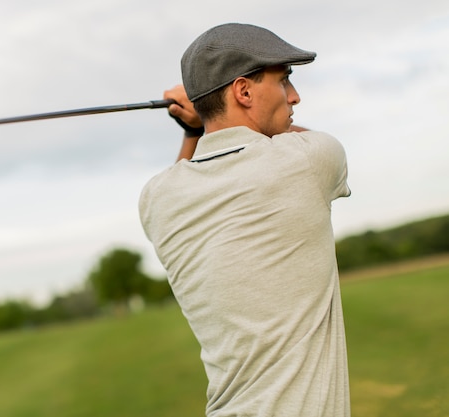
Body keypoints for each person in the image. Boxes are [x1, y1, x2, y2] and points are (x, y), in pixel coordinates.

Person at [139, 23, 351, 417]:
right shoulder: (310, 159)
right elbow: (293, 137)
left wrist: (197, 124)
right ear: (243, 91)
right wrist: (202, 119)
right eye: (284, 80)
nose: (294, 96)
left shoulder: (156, 199)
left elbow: (188, 174)